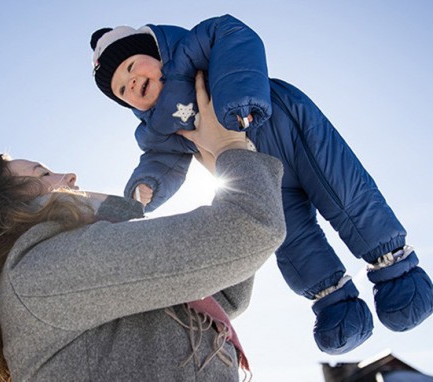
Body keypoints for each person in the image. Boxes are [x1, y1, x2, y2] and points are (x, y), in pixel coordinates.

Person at [0, 73, 286, 381]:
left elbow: (226, 291)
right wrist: (232, 151)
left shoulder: (72, 258)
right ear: (4, 210)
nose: (69, 176)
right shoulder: (40, 270)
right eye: (41, 173)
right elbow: (251, 229)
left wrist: (222, 170)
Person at [90, 13, 433, 354]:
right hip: (254, 172)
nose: (132, 82)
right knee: (288, 234)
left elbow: (233, 34)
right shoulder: (157, 130)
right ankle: (334, 303)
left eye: (132, 66)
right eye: (122, 89)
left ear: (156, 51)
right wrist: (145, 187)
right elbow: (159, 161)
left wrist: (238, 94)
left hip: (291, 129)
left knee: (345, 193)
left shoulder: (190, 52)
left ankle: (397, 271)